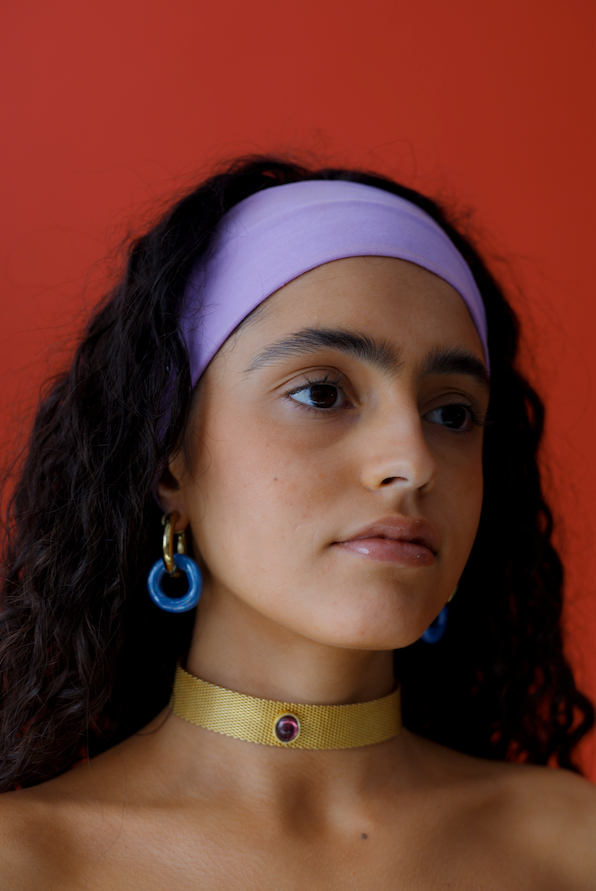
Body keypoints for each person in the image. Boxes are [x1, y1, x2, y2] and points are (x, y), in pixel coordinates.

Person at [0, 156, 593, 890]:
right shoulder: (26, 863)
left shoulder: (572, 846)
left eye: (452, 413)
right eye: (321, 393)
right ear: (168, 462)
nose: (414, 462)